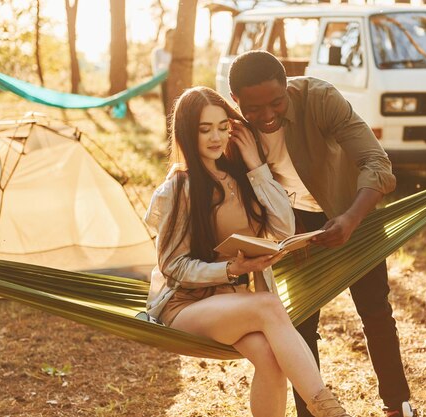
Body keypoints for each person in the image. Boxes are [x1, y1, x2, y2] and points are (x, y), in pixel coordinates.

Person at [144, 86, 353, 417]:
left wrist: (257, 167)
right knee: (269, 305)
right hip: (186, 307)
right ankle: (329, 410)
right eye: (205, 129)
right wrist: (231, 270)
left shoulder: (241, 177)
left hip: (235, 303)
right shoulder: (178, 188)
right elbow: (172, 265)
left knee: (271, 361)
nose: (216, 137)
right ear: (186, 132)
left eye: (222, 126)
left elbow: (284, 228)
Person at [228, 51, 414, 417]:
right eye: (253, 108)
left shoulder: (320, 98)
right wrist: (280, 230)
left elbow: (377, 163)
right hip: (290, 227)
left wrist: (351, 218)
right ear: (237, 101)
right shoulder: (232, 127)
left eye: (276, 102)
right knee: (299, 323)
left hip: (350, 211)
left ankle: (398, 406)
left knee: (375, 310)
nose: (266, 116)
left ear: (288, 87)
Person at [151, 28, 175, 117]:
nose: (171, 39)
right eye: (170, 37)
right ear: (165, 37)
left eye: (173, 37)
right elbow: (156, 69)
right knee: (166, 105)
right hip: (163, 81)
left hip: (175, 82)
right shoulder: (158, 52)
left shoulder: (177, 53)